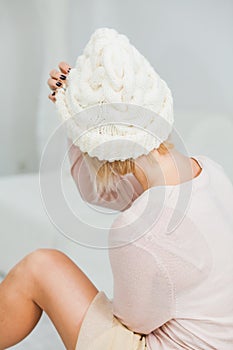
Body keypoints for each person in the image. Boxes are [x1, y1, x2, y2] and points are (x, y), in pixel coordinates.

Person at [1, 30, 233, 349]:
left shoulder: (138, 228)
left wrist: (79, 121)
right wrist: (76, 119)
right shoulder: (210, 171)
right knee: (45, 264)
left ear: (102, 154)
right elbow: (102, 191)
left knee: (39, 268)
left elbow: (134, 324)